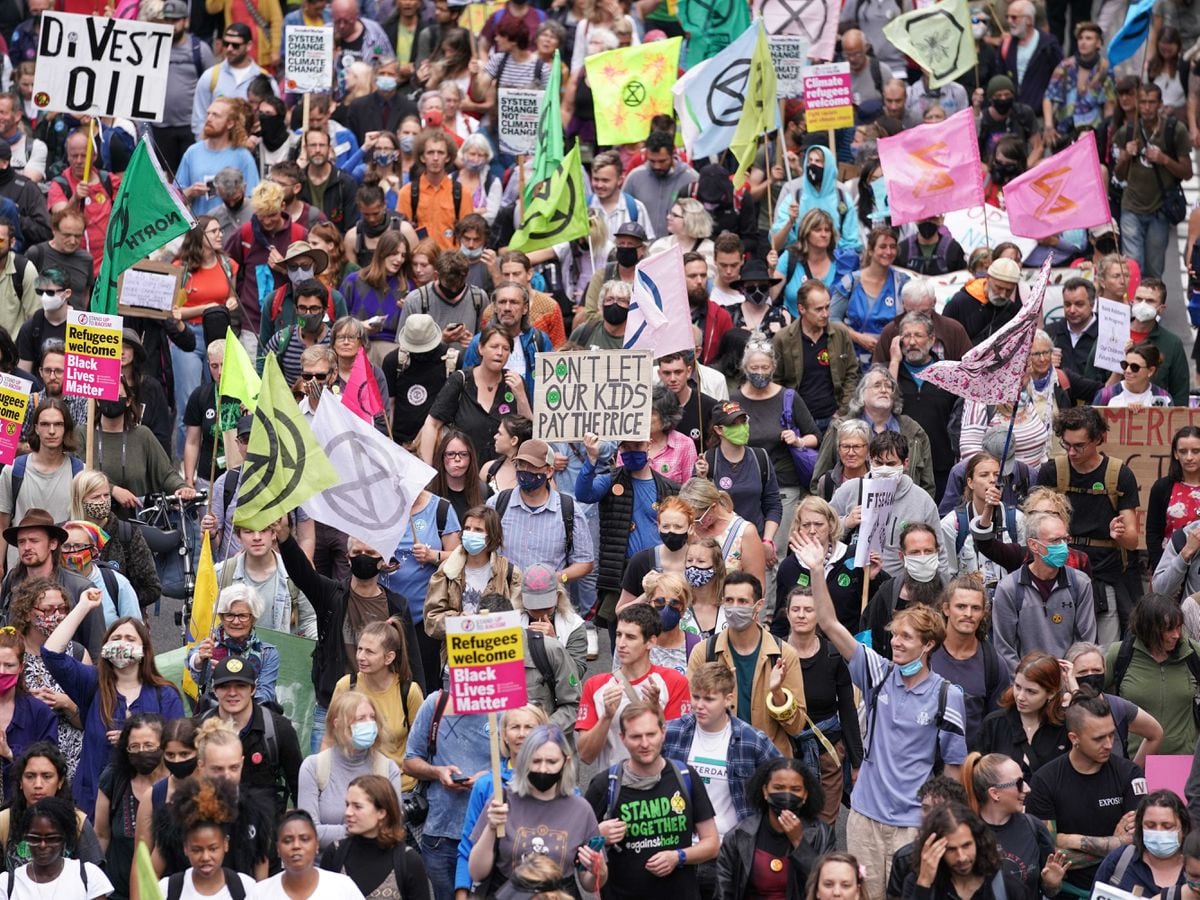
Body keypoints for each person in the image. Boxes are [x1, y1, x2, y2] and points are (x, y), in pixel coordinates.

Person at [803, 530, 967, 900]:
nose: (896, 643)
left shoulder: (947, 696)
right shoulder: (878, 674)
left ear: (928, 645)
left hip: (914, 825)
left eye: (907, 638)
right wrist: (816, 570)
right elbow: (829, 624)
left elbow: (953, 771)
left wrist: (939, 823)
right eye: (895, 636)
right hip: (864, 819)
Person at [42, 590, 182, 818]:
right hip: (92, 803)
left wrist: (138, 740)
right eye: (115, 639)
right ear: (105, 647)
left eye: (130, 639)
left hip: (147, 805)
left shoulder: (164, 695)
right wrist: (83, 606)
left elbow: (178, 748)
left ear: (144, 650)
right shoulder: (92, 683)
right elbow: (51, 653)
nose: (122, 644)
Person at [584, 701, 719, 900]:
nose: (645, 744)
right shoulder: (606, 784)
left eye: (651, 734)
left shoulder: (685, 776)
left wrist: (678, 857)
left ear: (663, 732)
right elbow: (577, 847)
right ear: (622, 738)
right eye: (636, 737)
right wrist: (599, 835)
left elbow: (712, 843)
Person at [1025, 688, 1148, 893]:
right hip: (1068, 890)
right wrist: (1115, 842)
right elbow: (1048, 854)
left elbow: (1136, 844)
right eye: (1099, 738)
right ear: (1074, 738)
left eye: (1111, 735)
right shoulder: (1045, 781)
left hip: (1120, 886)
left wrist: (1070, 840)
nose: (1109, 744)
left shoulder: (1130, 773)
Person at [1035, 406, 1140, 643]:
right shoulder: (1051, 472)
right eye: (1066, 445)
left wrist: (1118, 534)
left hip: (1105, 575)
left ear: (1098, 439)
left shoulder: (1119, 474)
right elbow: (1033, 525)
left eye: (1079, 445)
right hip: (1059, 570)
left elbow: (1133, 541)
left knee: (1106, 646)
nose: (1072, 452)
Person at [468, 724, 605, 895]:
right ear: (524, 762)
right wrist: (491, 827)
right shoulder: (502, 803)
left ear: (565, 762)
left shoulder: (581, 810)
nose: (543, 769)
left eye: (551, 762)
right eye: (536, 761)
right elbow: (476, 872)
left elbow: (590, 884)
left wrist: (599, 870)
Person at [686, 571, 806, 757]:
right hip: (718, 758)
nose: (735, 608)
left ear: (758, 606)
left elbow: (796, 727)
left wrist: (777, 694)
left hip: (769, 762)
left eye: (742, 602)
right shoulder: (704, 652)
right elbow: (691, 713)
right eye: (729, 601)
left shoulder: (783, 654)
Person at [777, 587, 861, 826]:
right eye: (796, 609)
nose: (801, 615)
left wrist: (856, 762)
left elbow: (847, 709)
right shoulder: (774, 653)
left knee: (823, 827)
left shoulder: (834, 655)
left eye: (808, 609)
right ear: (787, 613)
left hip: (827, 752)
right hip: (786, 751)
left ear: (819, 615)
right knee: (787, 824)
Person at [403, 686, 493, 900]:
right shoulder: (436, 703)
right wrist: (437, 772)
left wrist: (488, 778)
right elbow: (409, 761)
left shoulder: (503, 709)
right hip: (440, 833)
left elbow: (522, 764)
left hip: (489, 833)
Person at [575, 603, 691, 768]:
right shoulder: (595, 685)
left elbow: (679, 748)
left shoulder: (674, 681)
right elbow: (586, 755)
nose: (621, 644)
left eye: (630, 637)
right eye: (618, 635)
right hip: (614, 786)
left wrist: (656, 711)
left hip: (658, 786)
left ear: (650, 642)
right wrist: (607, 717)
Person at [716, 758, 834, 900]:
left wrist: (798, 842)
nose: (786, 795)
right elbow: (723, 892)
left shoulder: (822, 834)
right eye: (778, 788)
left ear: (805, 795)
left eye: (795, 789)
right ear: (765, 791)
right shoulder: (738, 836)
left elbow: (828, 885)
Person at [812, 366, 936, 499]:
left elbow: (927, 486)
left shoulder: (914, 431)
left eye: (889, 386)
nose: (884, 390)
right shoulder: (840, 428)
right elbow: (819, 481)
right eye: (877, 385)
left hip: (902, 513)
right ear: (862, 394)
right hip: (849, 511)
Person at [960, 752, 1069, 900]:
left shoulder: (1033, 827)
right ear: (995, 793)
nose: (1027, 789)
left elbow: (1049, 891)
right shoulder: (966, 835)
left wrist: (1051, 884)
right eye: (1019, 783)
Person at [1103, 593, 1200, 756]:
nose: (1176, 635)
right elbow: (1091, 695)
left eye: (1179, 627)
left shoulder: (1193, 653)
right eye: (1168, 629)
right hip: (1134, 761)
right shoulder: (1120, 654)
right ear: (1147, 629)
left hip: (1184, 761)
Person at [420, 326, 531, 467]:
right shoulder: (461, 380)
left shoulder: (515, 382)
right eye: (494, 347)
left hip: (502, 475)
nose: (500, 353)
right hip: (461, 471)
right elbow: (432, 424)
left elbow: (528, 431)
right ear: (480, 348)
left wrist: (521, 395)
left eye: (506, 348)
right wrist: (426, 471)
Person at [1114, 83, 1191, 279]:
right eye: (1143, 102)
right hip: (1131, 206)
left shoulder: (1175, 130)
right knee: (1134, 265)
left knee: (1154, 268)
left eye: (1151, 102)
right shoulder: (1128, 131)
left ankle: (1151, 306)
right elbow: (1119, 175)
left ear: (1160, 104)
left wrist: (1164, 159)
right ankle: (1133, 308)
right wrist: (1125, 157)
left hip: (1159, 210)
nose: (1147, 107)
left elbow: (1187, 172)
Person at [930, 576, 1012, 751]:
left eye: (975, 608)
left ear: (984, 613)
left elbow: (999, 726)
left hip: (971, 767)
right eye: (961, 606)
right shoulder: (926, 654)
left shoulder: (994, 664)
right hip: (924, 765)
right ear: (946, 609)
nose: (968, 614)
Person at [772, 280, 860, 435]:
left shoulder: (840, 333)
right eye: (819, 309)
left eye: (827, 307)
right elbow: (776, 381)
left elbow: (851, 373)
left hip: (834, 417)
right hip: (799, 421)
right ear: (801, 308)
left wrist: (843, 412)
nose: (825, 314)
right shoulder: (783, 338)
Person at [0, 399, 80, 569]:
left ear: (65, 428)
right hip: (20, 574)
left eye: (58, 424)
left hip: (65, 573)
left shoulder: (80, 474)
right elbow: (2, 526)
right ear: (36, 427)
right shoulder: (13, 471)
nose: (51, 431)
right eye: (45, 424)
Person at [94, 713, 165, 900]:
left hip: (164, 891)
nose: (142, 751)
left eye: (149, 745)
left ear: (163, 745)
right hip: (116, 891)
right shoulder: (114, 778)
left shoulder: (176, 784)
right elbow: (101, 834)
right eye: (134, 747)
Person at [155, 774, 256, 900]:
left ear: (225, 844)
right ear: (185, 848)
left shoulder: (246, 888)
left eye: (213, 849)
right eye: (196, 850)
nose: (205, 857)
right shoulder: (167, 889)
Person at [903, 801, 1027, 900]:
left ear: (978, 841)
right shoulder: (918, 884)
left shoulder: (1007, 887)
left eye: (966, 845)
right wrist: (924, 884)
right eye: (951, 849)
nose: (961, 857)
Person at [979, 651, 1070, 779]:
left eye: (1031, 692)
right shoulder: (994, 723)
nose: (1020, 697)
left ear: (1051, 693)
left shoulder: (1064, 727)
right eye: (1017, 686)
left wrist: (1075, 690)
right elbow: (979, 776)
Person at [186, 584, 281, 707]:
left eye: (242, 616)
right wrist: (199, 661)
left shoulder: (267, 653)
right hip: (213, 717)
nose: (236, 622)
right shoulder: (209, 645)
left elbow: (266, 694)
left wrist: (238, 712)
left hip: (254, 717)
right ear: (221, 616)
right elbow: (199, 677)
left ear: (253, 619)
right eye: (229, 615)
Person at [7, 795, 113, 900]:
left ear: (64, 838)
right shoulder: (8, 884)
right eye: (35, 838)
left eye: (52, 839)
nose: (43, 845)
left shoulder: (89, 876)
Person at [831, 227, 910, 364]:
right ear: (871, 251)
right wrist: (858, 337)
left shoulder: (902, 283)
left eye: (892, 247)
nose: (888, 252)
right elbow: (832, 318)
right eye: (883, 247)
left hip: (888, 361)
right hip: (851, 361)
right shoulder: (850, 282)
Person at [254, 810, 366, 900]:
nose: (296, 846)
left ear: (317, 845)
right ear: (278, 848)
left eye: (304, 839)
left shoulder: (344, 888)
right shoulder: (260, 894)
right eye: (288, 840)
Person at [1147, 426, 1200, 572]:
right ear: (1176, 454)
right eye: (1183, 451)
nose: (1189, 457)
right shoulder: (1162, 487)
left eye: (1196, 451)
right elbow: (1153, 533)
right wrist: (1161, 571)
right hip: (1170, 567)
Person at [942, 258, 1022, 345]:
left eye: (1009, 290)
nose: (1003, 295)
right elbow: (944, 336)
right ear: (987, 277)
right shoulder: (960, 302)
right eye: (999, 288)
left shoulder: (1013, 311)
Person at [1093, 341, 1172, 407]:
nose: (1127, 370)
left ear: (1151, 371)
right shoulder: (1106, 395)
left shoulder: (1163, 398)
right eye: (1125, 365)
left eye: (1135, 367)